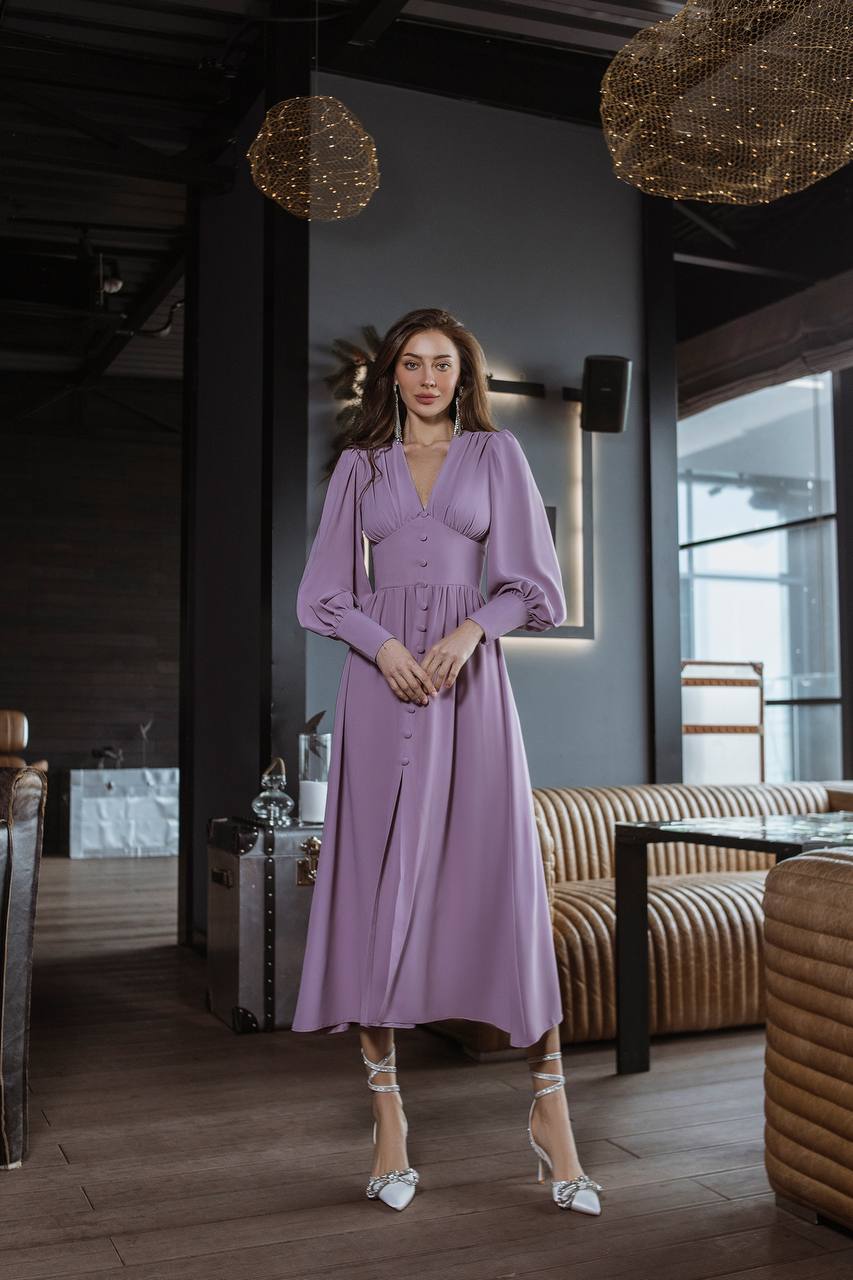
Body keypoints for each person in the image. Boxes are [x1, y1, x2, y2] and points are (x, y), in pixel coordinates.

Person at [292, 306, 603, 1216]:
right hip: (378, 691)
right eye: (413, 364)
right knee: (376, 887)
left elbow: (534, 587)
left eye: (444, 364)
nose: (428, 377)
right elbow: (322, 592)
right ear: (390, 376)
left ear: (464, 377)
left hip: (470, 693)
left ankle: (552, 1118)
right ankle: (387, 1122)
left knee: (502, 885)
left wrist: (470, 631)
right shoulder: (360, 469)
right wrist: (382, 647)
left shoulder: (494, 458)